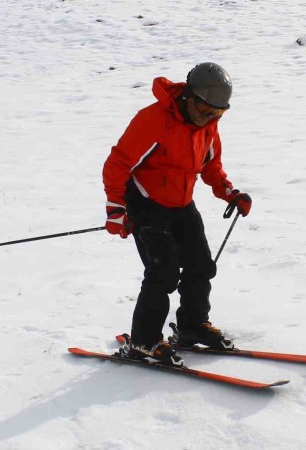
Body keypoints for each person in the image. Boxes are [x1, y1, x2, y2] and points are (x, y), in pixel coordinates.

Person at [102, 62, 252, 366]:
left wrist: (230, 192)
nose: (210, 118)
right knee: (163, 273)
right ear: (190, 97)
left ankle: (192, 326)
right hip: (146, 202)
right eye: (206, 111)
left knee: (201, 266)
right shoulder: (154, 120)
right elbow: (117, 164)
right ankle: (143, 341)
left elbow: (211, 165)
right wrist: (116, 208)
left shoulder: (207, 125)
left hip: (181, 202)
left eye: (218, 114)